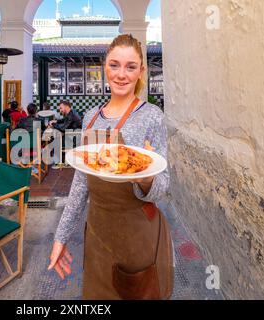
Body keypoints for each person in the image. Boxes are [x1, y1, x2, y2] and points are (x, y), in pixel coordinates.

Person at [47, 34, 174, 300]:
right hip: (97, 234)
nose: (121, 74)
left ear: (141, 71)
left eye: (130, 67)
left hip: (138, 236)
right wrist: (61, 237)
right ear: (104, 67)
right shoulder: (91, 117)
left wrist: (144, 176)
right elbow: (81, 183)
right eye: (114, 65)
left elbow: (163, 186)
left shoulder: (152, 116)